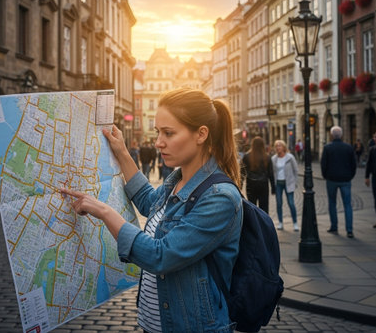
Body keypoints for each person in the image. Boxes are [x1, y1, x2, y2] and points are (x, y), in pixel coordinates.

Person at [60, 88, 243, 332]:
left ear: (201, 134)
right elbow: (149, 201)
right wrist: (122, 153)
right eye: (158, 132)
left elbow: (161, 256)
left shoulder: (220, 198)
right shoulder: (179, 178)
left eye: (169, 133)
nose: (158, 142)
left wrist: (105, 212)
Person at [321, 126, 357, 238]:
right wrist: (350, 175)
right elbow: (354, 164)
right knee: (347, 205)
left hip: (331, 179)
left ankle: (334, 226)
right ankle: (349, 230)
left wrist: (326, 175)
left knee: (332, 203)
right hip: (346, 179)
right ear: (341, 135)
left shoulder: (327, 148)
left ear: (332, 135)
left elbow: (323, 164)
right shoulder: (348, 147)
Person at [241, 136, 275, 213]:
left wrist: (240, 185)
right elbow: (271, 173)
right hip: (263, 184)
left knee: (252, 207)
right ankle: (264, 224)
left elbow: (242, 172)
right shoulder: (267, 157)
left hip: (251, 184)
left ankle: (254, 224)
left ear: (252, 145)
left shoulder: (247, 156)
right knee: (264, 207)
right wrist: (273, 187)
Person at [272, 139, 299, 231]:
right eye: (276, 146)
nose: (278, 147)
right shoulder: (273, 159)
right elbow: (273, 172)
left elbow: (296, 171)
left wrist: (295, 183)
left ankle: (295, 223)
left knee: (291, 203)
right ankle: (280, 223)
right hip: (278, 183)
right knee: (279, 203)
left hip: (288, 183)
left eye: (279, 146)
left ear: (284, 147)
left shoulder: (290, 157)